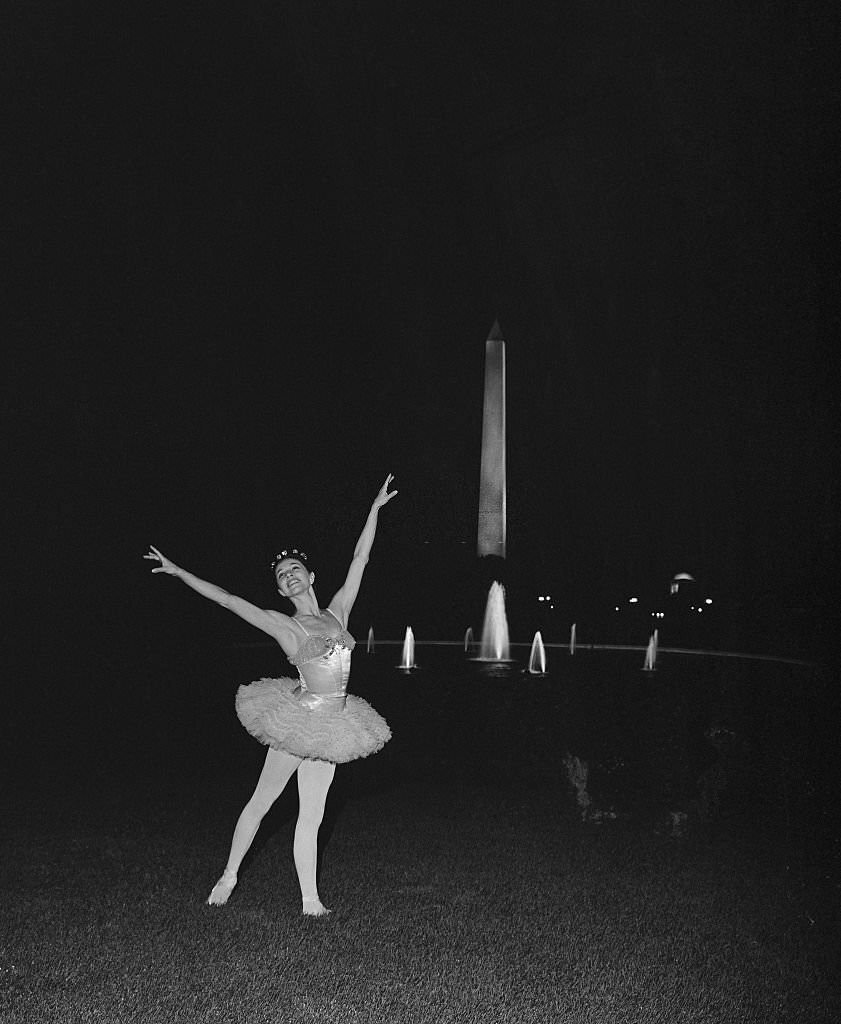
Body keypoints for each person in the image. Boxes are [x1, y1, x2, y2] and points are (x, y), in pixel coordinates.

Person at [144, 474, 397, 916]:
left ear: (310, 575)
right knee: (263, 800)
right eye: (282, 576)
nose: (290, 576)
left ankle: (310, 901)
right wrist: (179, 571)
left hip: (335, 724)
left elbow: (361, 558)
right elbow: (226, 600)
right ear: (281, 590)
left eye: (295, 569)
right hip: (298, 718)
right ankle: (229, 875)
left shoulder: (338, 611)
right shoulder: (283, 625)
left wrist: (374, 509)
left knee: (312, 814)